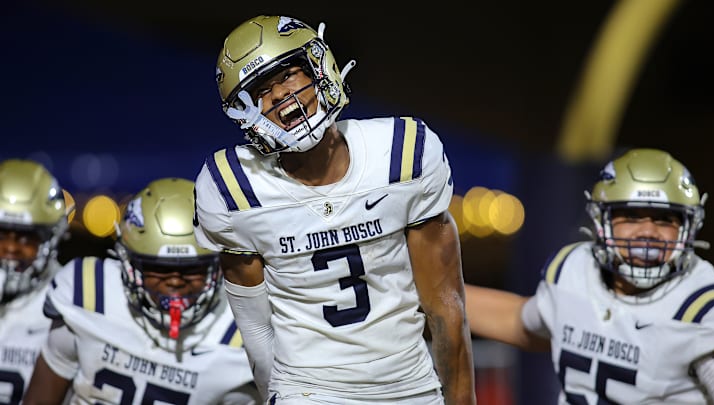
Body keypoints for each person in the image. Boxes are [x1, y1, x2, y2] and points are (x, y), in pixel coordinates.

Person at [193, 15, 476, 405]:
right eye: (261, 90)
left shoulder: (402, 153)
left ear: (320, 66)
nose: (279, 96)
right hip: (308, 391)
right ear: (244, 112)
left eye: (289, 74)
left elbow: (445, 307)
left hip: (409, 386)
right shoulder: (233, 188)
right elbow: (257, 331)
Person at [465, 148, 714, 403]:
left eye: (665, 219)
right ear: (602, 221)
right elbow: (526, 324)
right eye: (631, 216)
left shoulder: (702, 308)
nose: (648, 232)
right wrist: (434, 294)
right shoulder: (575, 270)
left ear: (688, 228)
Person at [23, 178, 260, 404]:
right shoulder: (88, 293)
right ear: (127, 262)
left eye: (192, 269)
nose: (174, 282)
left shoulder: (242, 336)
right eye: (158, 268)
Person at [0, 159, 71, 405]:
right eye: (1, 235)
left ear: (50, 240)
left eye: (25, 238)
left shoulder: (67, 305)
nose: (10, 249)